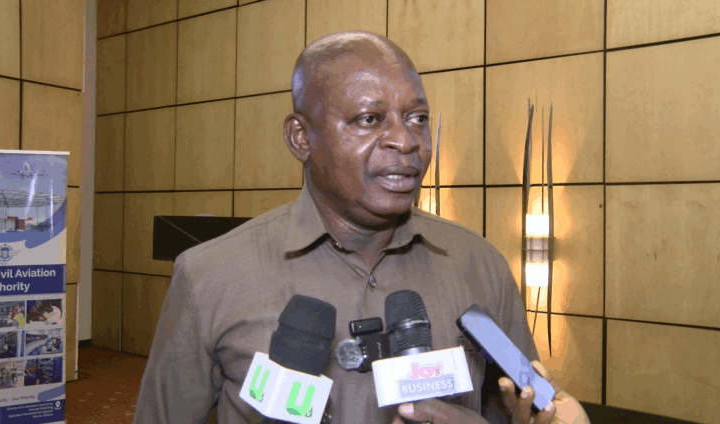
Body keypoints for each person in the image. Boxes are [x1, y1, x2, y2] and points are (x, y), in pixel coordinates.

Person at [134, 31, 590, 424]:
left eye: (417, 119)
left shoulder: (480, 263)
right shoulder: (210, 275)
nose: (405, 141)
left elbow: (521, 405)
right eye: (370, 120)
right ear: (300, 138)